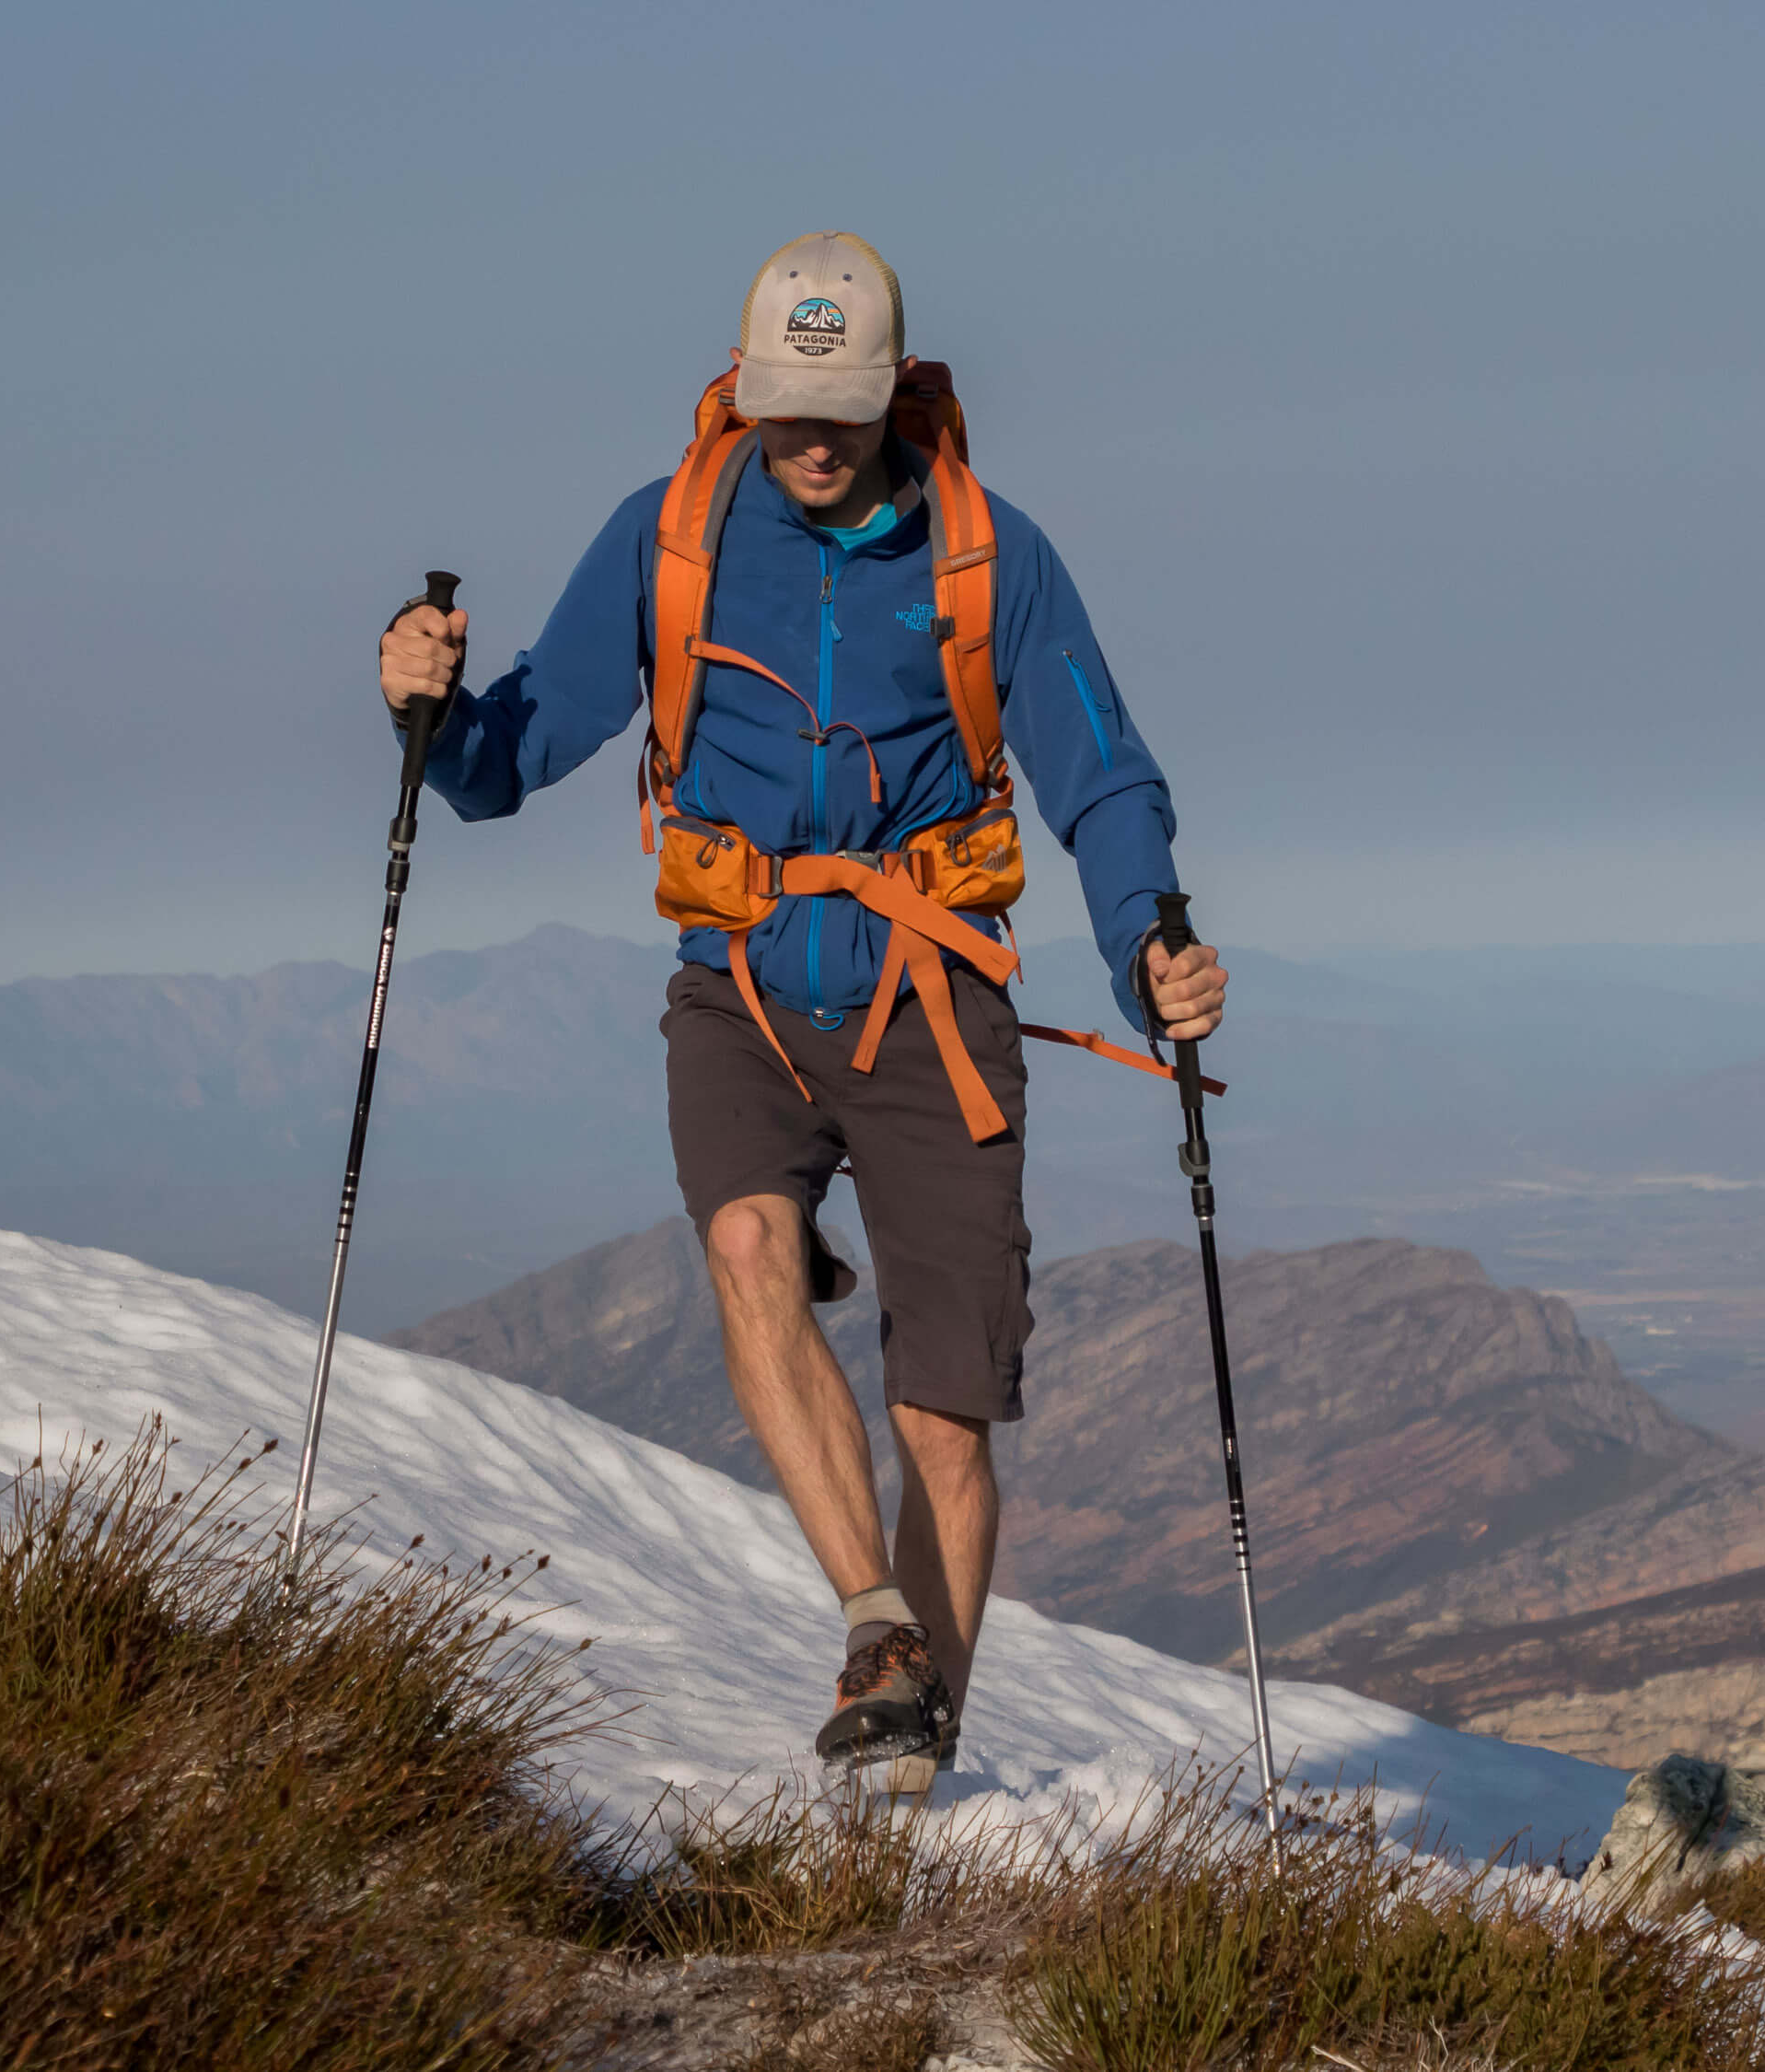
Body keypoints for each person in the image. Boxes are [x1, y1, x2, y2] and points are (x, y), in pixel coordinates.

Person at [377, 231, 1226, 1794]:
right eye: (785, 401)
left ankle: (918, 1770)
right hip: (742, 991)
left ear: (896, 386)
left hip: (933, 1001)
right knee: (748, 1246)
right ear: (745, 389)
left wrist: (1148, 941)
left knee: (948, 1422)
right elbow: (510, 760)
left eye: (840, 402)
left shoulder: (988, 552)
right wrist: (426, 710)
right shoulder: (673, 536)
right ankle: (876, 1631)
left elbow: (1101, 773)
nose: (813, 437)